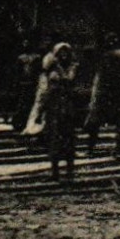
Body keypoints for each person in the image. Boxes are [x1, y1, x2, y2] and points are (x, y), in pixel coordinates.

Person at [27, 42, 80, 183]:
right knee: (53, 141)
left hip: (67, 109)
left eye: (66, 52)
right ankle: (55, 172)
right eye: (60, 53)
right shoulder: (50, 71)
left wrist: (57, 69)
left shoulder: (71, 67)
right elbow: (44, 91)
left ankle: (70, 172)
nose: (63, 55)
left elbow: (69, 80)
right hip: (53, 108)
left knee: (68, 141)